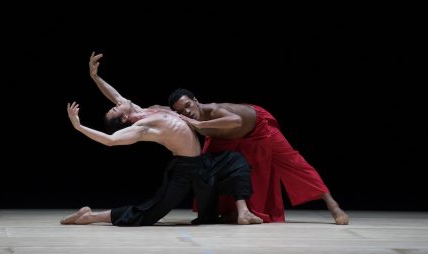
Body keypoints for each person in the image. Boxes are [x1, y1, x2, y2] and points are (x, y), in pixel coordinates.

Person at [60, 52, 263, 226]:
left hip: (201, 163)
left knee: (237, 161)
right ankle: (88, 217)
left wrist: (95, 77)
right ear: (123, 118)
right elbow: (110, 140)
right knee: (150, 213)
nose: (118, 102)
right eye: (115, 108)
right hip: (184, 169)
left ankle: (243, 212)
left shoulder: (142, 111)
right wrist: (78, 127)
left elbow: (115, 95)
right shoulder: (141, 127)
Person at [168, 88, 349, 225]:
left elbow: (236, 121)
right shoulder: (190, 118)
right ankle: (219, 212)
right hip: (225, 137)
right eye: (182, 112)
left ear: (195, 101)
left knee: (295, 163)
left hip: (259, 130)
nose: (187, 112)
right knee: (205, 168)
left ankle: (332, 205)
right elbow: (157, 108)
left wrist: (200, 124)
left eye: (188, 105)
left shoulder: (214, 110)